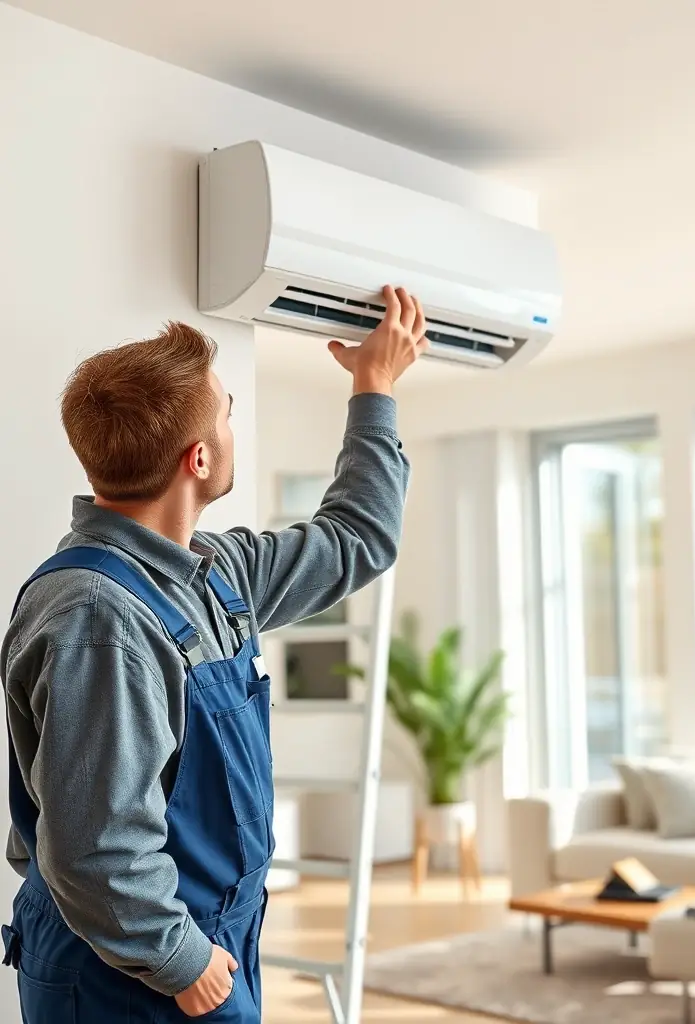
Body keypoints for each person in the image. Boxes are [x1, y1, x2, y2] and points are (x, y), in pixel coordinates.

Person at [0, 285, 427, 1022]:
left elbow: (358, 538)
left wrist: (374, 385)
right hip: (132, 962)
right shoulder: (98, 620)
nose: (234, 424)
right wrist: (181, 962)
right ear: (199, 458)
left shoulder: (215, 574)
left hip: (201, 934)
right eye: (228, 412)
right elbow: (94, 848)